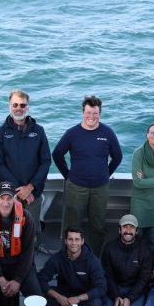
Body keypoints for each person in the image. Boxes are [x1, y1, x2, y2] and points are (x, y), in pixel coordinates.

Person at [52, 95, 124, 254]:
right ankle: (69, 257)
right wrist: (68, 175)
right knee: (72, 225)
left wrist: (106, 173)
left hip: (100, 188)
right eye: (88, 112)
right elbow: (57, 154)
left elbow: (118, 156)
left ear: (100, 113)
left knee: (98, 226)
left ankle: (95, 258)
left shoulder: (108, 132)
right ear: (83, 112)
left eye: (95, 113)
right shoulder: (72, 133)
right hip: (76, 187)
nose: (91, 116)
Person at [0, 89, 52, 232]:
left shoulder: (39, 131)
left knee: (33, 228)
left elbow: (46, 161)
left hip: (32, 194)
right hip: (9, 195)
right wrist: (17, 190)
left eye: (22, 105)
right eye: (15, 105)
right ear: (9, 106)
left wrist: (30, 187)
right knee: (10, 230)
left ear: (28, 107)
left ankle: (36, 249)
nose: (18, 108)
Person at [37, 227, 106, 306]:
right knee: (41, 300)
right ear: (65, 241)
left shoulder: (92, 261)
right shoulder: (58, 258)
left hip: (83, 298)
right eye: (70, 239)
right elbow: (41, 278)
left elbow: (101, 287)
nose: (73, 243)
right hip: (64, 297)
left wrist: (79, 298)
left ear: (82, 241)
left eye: (77, 239)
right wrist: (58, 296)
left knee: (97, 303)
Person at [98, 214, 153, 306]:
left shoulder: (145, 250)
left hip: (135, 289)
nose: (128, 230)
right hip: (114, 287)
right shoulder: (109, 247)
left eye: (132, 227)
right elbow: (107, 275)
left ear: (137, 231)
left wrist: (129, 298)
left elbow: (144, 278)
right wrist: (116, 295)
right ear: (119, 229)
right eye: (125, 227)